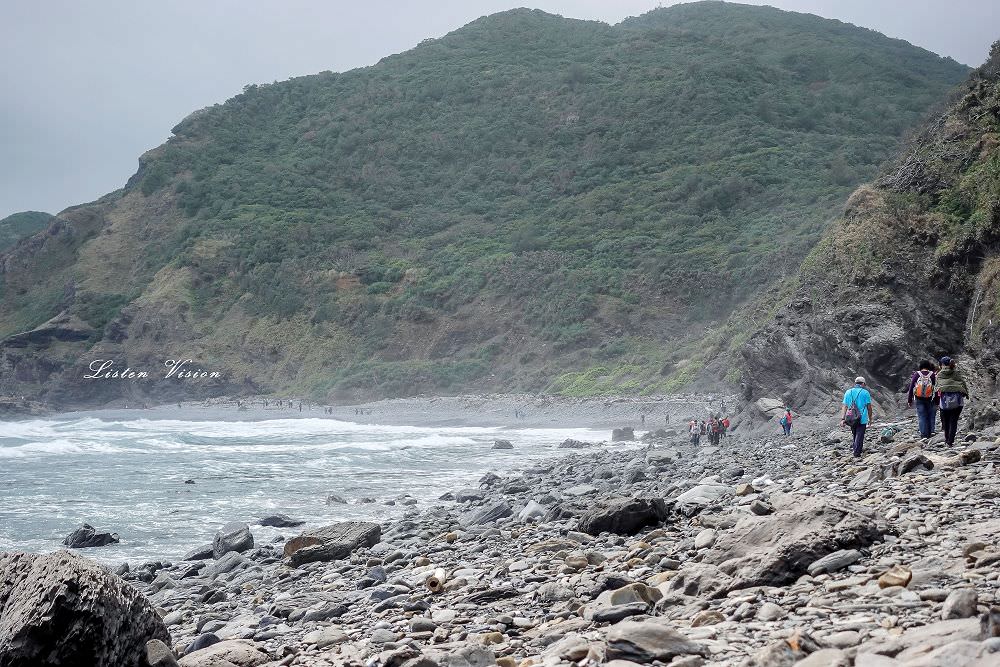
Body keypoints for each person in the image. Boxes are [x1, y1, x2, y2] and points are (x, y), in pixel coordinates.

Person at [936, 356, 969, 446]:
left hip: (944, 402)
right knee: (953, 421)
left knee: (945, 421)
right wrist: (966, 394)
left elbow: (936, 388)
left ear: (942, 364)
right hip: (957, 402)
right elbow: (963, 384)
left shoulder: (939, 374)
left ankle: (947, 440)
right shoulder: (957, 373)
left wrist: (935, 400)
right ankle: (951, 441)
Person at [841, 377, 873, 458]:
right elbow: (869, 407)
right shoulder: (865, 393)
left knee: (855, 433)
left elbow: (844, 406)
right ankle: (857, 453)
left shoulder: (848, 392)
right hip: (861, 419)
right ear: (863, 384)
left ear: (855, 383)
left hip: (851, 418)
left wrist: (842, 419)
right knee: (860, 434)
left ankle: (856, 448)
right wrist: (870, 418)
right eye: (864, 384)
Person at [907, 360, 938, 439]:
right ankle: (931, 432)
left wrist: (909, 400)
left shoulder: (917, 374)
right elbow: (937, 389)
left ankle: (923, 434)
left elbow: (911, 388)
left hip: (919, 398)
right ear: (928, 366)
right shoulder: (932, 375)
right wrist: (937, 401)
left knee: (921, 416)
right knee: (931, 415)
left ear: (920, 366)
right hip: (930, 398)